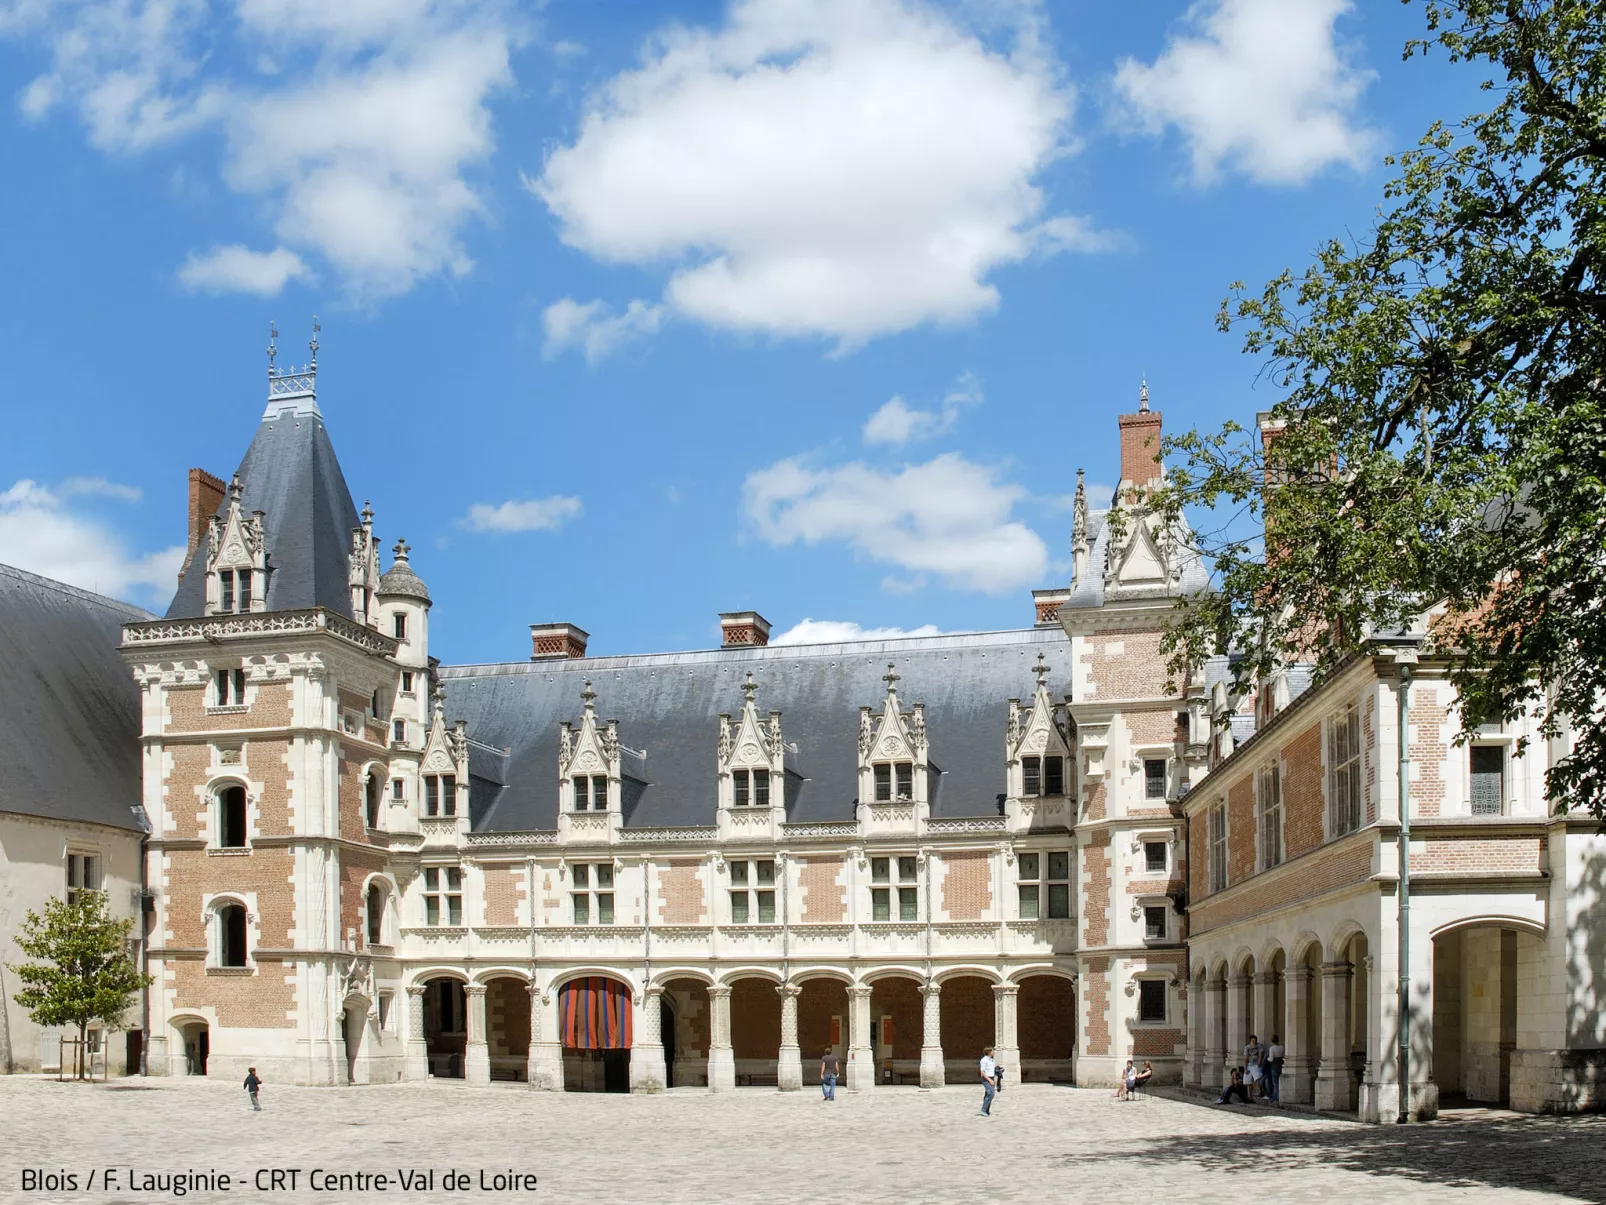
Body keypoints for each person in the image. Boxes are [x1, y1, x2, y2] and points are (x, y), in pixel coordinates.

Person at [1265, 1034, 1285, 1104]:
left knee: (1275, 1083)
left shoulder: (1272, 1048)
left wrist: (1266, 1058)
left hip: (1274, 1066)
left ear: (1271, 1041)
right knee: (1279, 1082)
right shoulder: (1282, 1047)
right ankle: (1275, 1096)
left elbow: (1271, 1059)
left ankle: (1277, 1097)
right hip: (1281, 1064)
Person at [979, 1046, 998, 1116]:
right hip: (986, 1079)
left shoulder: (992, 1060)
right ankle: (983, 1110)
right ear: (989, 1052)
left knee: (988, 1094)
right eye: (993, 1051)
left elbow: (992, 1070)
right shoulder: (984, 1060)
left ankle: (986, 1110)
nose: (994, 1052)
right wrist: (989, 1080)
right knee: (990, 1093)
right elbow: (982, 1072)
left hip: (991, 1077)